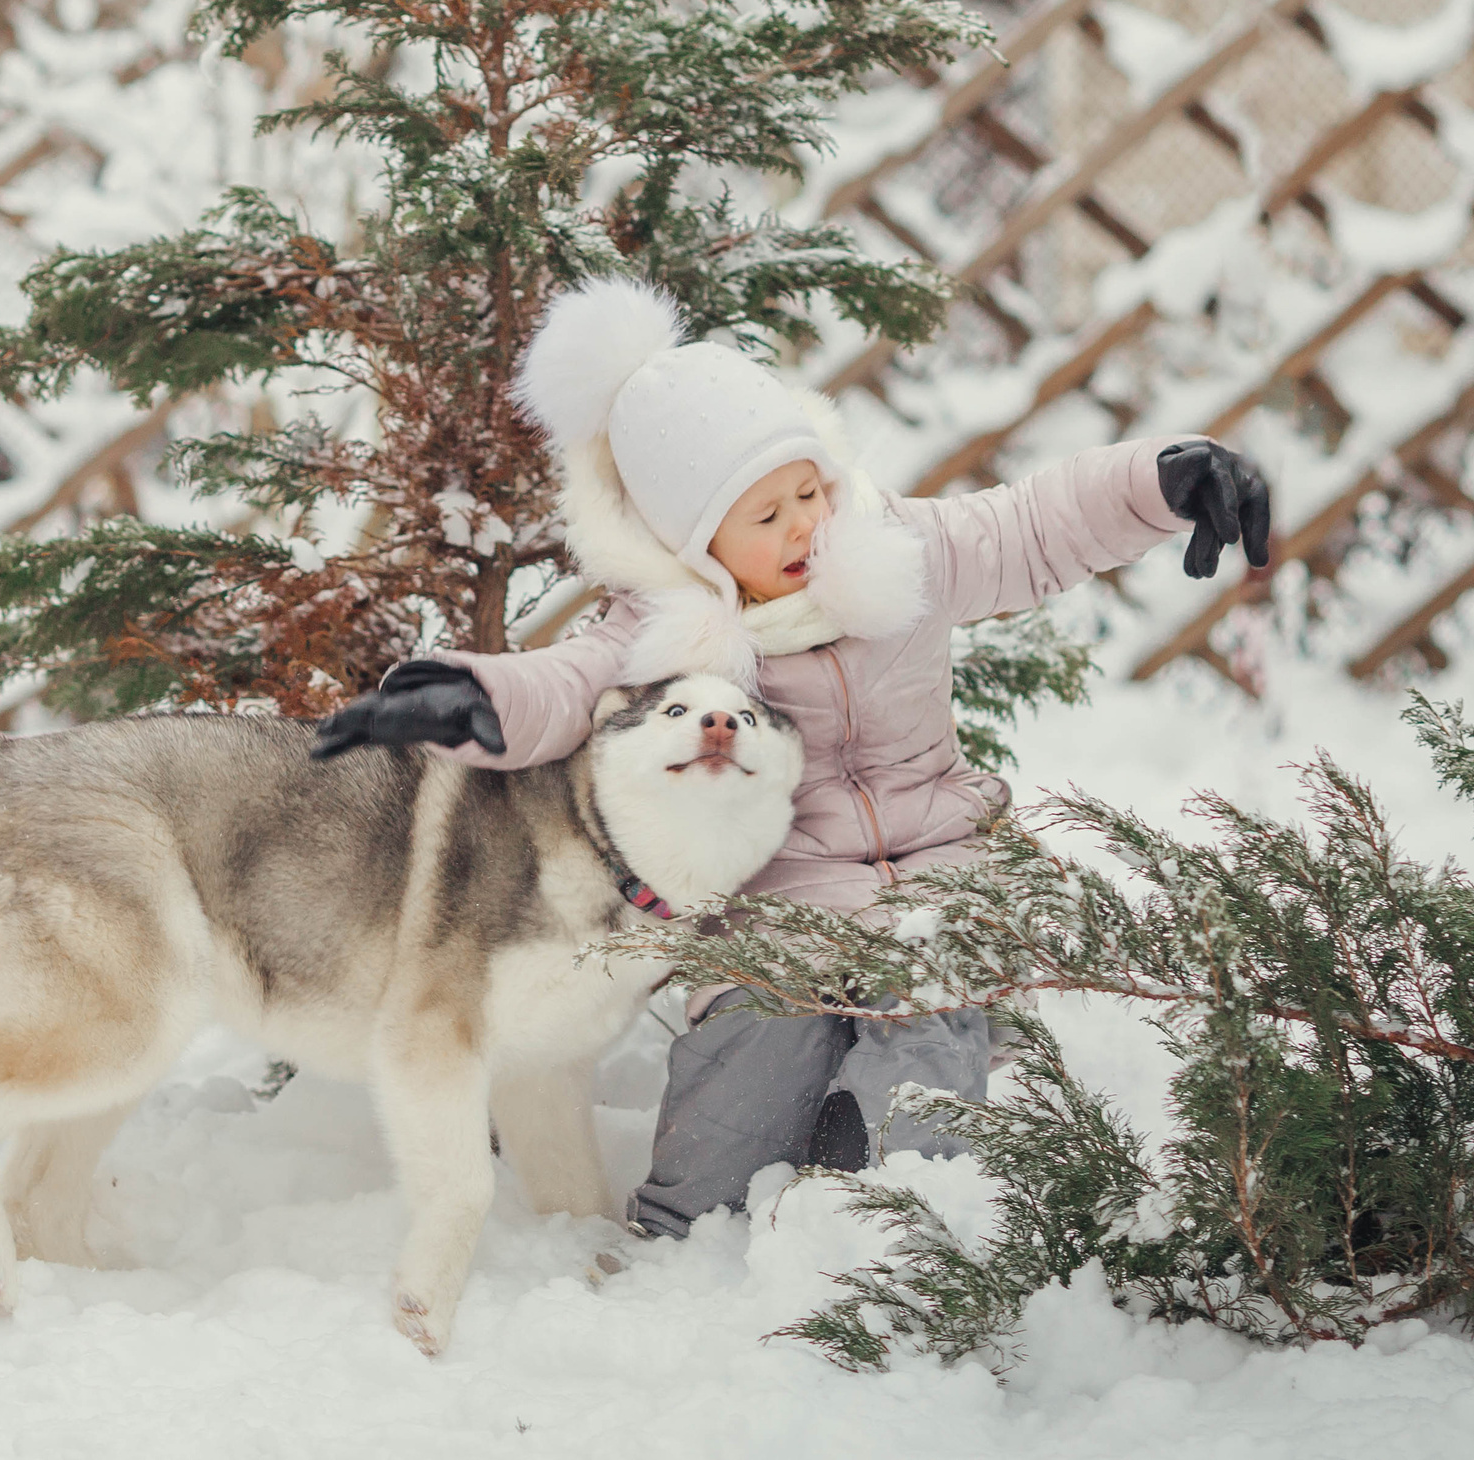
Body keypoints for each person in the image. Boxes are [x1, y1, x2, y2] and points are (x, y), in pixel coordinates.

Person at [312, 277, 1270, 1238]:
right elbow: (565, 686)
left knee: (929, 1032)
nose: (805, 525)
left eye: (809, 492)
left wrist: (1162, 482)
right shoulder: (668, 631)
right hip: (777, 903)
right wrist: (470, 695)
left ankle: (885, 1203)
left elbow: (1034, 523)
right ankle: (695, 1230)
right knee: (738, 1106)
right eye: (766, 517)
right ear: (698, 547)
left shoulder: (903, 550)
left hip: (940, 879)